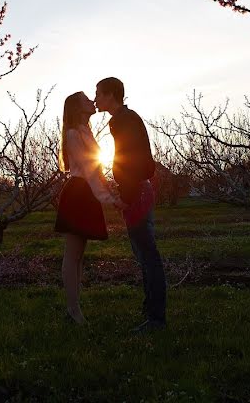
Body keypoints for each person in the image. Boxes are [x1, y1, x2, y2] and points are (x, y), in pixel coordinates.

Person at [94, 77, 167, 332]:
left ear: (112, 94)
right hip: (139, 189)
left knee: (148, 256)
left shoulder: (122, 121)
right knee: (144, 254)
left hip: (136, 192)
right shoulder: (126, 118)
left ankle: (156, 319)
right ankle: (151, 309)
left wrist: (126, 195)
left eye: (99, 94)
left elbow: (130, 159)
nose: (96, 99)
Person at [55, 91, 118, 325]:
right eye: (85, 99)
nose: (92, 101)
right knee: (72, 254)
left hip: (86, 193)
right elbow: (90, 170)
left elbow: (97, 169)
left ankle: (74, 308)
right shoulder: (73, 134)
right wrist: (108, 197)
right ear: (76, 107)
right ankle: (73, 309)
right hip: (79, 193)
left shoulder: (84, 132)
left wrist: (109, 191)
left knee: (79, 255)